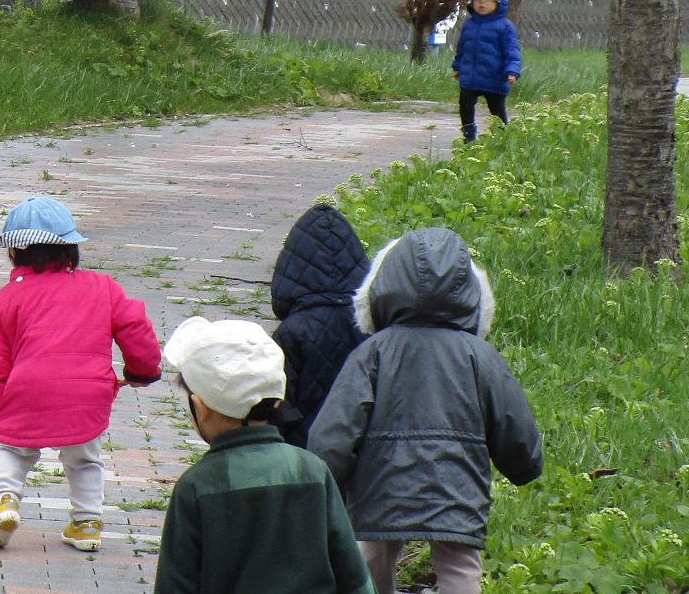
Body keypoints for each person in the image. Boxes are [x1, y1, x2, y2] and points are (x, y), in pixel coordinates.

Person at [308, 227, 543, 594]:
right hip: (456, 484)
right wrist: (524, 464)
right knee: (459, 565)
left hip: (382, 484)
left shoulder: (373, 353)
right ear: (470, 292)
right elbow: (511, 419)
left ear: (382, 287)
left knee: (371, 556)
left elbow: (337, 426)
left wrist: (323, 475)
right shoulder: (479, 355)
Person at [0, 197, 160, 554]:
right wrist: (142, 370)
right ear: (72, 248)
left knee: (10, 447)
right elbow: (135, 326)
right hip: (87, 394)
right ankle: (87, 522)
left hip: (26, 392)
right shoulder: (103, 287)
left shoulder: (3, 301)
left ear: (14, 253)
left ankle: (4, 502)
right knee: (85, 457)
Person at [152, 317, 372, 594]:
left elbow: (175, 585)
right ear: (277, 400)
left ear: (200, 408)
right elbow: (354, 576)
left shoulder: (196, 486)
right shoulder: (312, 470)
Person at [269, 203, 369, 448]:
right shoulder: (372, 327)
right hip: (361, 456)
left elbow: (277, 407)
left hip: (302, 459)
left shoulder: (291, 332)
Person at [451, 0, 521, 142]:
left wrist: (512, 71)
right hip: (471, 76)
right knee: (465, 102)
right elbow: (462, 48)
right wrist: (458, 66)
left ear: (498, 1)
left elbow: (512, 52)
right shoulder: (469, 25)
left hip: (494, 77)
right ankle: (468, 134)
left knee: (496, 109)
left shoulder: (504, 27)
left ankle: (502, 136)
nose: (482, 3)